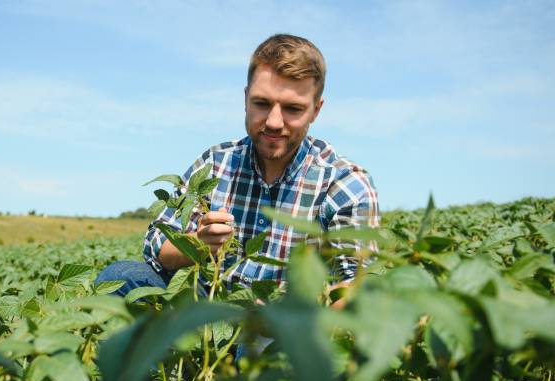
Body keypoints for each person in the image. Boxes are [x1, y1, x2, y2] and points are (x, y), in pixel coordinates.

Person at [97, 33, 379, 302]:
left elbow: (357, 286)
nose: (274, 122)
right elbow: (157, 245)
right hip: (206, 308)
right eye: (262, 103)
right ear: (246, 99)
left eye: (293, 109)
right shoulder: (216, 163)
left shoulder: (344, 184)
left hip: (281, 328)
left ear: (316, 110)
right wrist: (198, 244)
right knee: (120, 277)